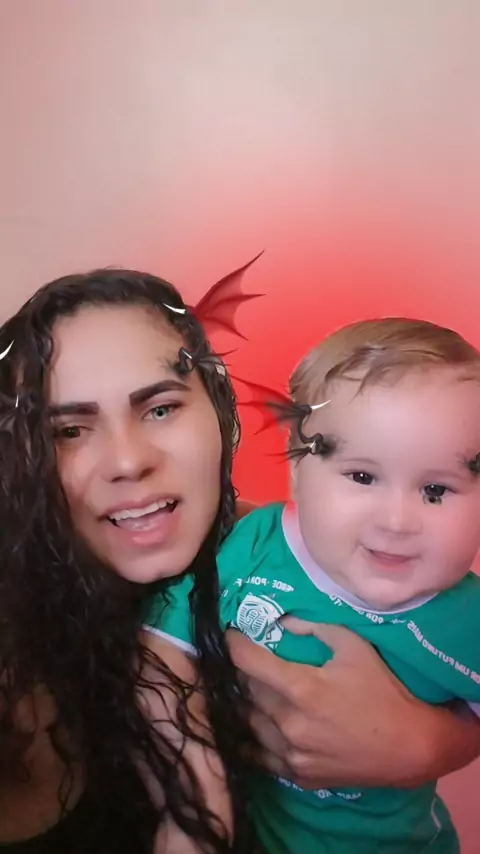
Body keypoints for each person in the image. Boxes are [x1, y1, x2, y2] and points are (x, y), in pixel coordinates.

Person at [0, 275, 478, 853]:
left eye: (161, 408)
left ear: (219, 409)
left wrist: (431, 744)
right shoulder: (17, 658)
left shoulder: (273, 547)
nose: (128, 461)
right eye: (69, 430)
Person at [151, 317, 480, 854]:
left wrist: (430, 745)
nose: (397, 521)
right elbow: (164, 641)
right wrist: (192, 792)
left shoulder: (467, 619)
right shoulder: (256, 543)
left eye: (436, 490)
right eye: (362, 476)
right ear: (297, 468)